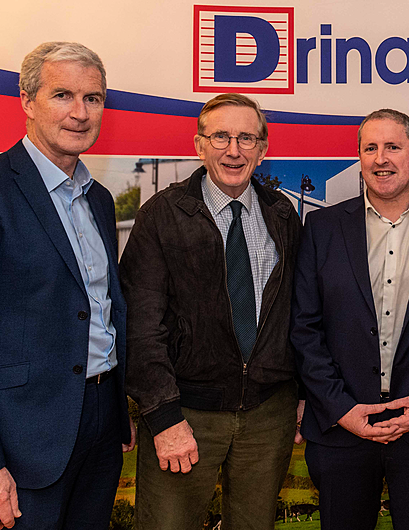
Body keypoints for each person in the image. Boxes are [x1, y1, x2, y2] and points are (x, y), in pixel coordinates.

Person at [0, 42, 134, 530]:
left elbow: (99, 308)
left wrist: (113, 412)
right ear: (27, 101)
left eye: (93, 99)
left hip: (99, 426)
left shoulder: (98, 199)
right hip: (20, 440)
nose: (80, 113)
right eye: (62, 96)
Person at [120, 93, 302, 530]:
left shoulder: (282, 214)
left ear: (263, 148)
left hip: (267, 416)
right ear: (199, 145)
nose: (233, 149)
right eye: (220, 136)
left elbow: (299, 315)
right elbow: (140, 324)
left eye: (246, 137)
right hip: (185, 414)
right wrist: (163, 417)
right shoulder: (161, 215)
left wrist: (302, 392)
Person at [291, 109, 409, 530]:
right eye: (370, 148)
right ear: (358, 158)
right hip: (341, 430)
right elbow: (304, 328)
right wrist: (341, 408)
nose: (381, 158)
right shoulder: (320, 228)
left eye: (393, 146)